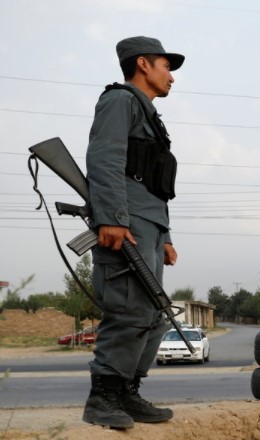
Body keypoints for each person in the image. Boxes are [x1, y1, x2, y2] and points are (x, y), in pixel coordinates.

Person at [82, 36, 185, 429]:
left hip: (148, 225)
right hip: (124, 222)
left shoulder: (150, 117)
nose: (171, 76)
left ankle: (127, 392)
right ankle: (102, 398)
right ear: (143, 64)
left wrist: (167, 235)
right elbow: (105, 159)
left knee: (154, 314)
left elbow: (154, 183)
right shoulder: (120, 101)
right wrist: (111, 217)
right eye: (166, 66)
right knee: (128, 309)